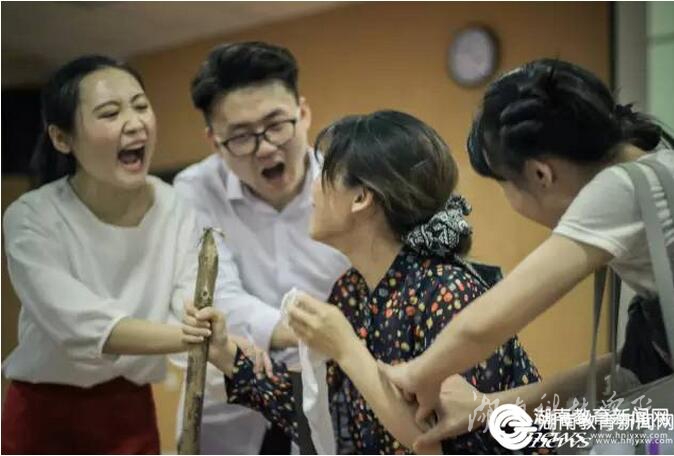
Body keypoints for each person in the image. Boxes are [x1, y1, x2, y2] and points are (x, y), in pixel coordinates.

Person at [183, 110, 541, 454]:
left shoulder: (447, 291)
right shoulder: (351, 292)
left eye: (324, 175)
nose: (312, 188)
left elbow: (448, 443)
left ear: (361, 197)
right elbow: (322, 415)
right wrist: (227, 354)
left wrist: (345, 346)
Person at [378, 59, 674, 450]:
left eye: (504, 185)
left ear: (540, 174)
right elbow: (638, 371)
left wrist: (419, 374)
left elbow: (486, 324)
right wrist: (490, 407)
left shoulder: (620, 189)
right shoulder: (655, 165)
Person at [1, 55, 201, 454]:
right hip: (44, 412)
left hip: (130, 410)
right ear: (62, 138)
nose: (135, 123)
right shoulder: (32, 215)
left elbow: (188, 305)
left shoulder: (175, 207)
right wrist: (193, 339)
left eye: (141, 106)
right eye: (110, 113)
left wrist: (204, 330)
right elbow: (78, 323)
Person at [171, 41, 349, 454]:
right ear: (214, 142)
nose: (266, 147)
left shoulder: (347, 184)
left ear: (303, 113)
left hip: (335, 396)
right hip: (230, 409)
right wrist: (316, 334)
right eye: (240, 137)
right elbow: (214, 296)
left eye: (276, 124)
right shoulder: (194, 191)